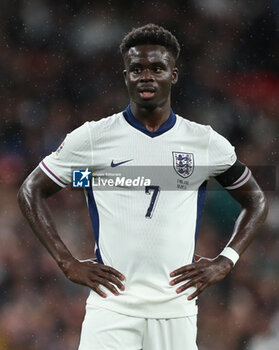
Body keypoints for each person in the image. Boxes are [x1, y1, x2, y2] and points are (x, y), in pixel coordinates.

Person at [18, 24, 268, 350]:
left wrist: (226, 259)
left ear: (173, 75)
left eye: (157, 68)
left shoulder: (204, 142)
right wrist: (66, 261)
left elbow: (256, 201)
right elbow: (30, 190)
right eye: (136, 69)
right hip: (111, 307)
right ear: (126, 76)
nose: (145, 76)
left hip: (175, 309)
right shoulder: (93, 137)